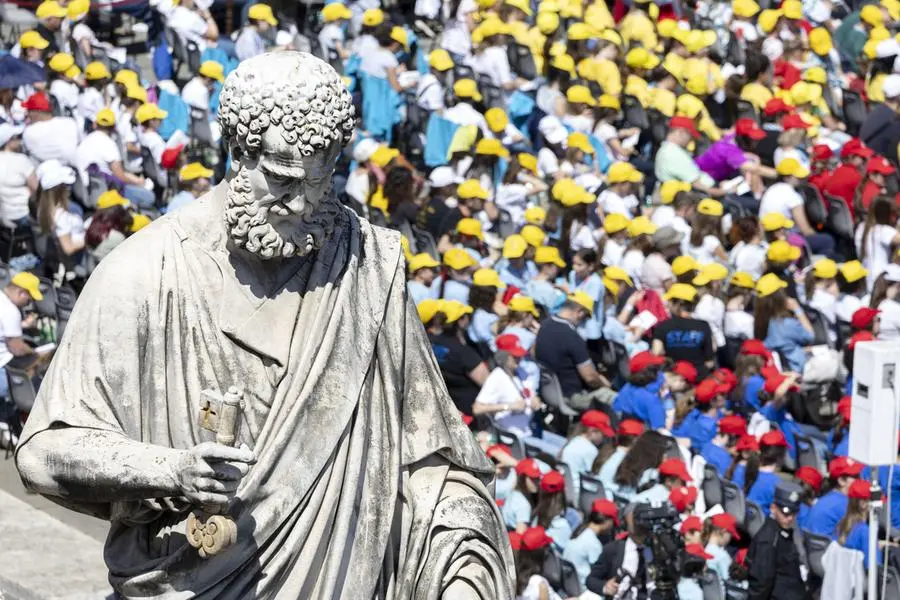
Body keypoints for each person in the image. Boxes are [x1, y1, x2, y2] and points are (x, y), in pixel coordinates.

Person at [16, 54, 514, 598]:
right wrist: (168, 469)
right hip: (189, 580)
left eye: (320, 182)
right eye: (281, 179)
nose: (301, 204)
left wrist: (462, 566)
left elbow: (432, 461)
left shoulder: (367, 267)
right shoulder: (145, 274)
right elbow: (43, 454)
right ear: (239, 152)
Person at [534, 292, 609, 408]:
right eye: (585, 317)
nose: (584, 322)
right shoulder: (572, 337)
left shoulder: (544, 325)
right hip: (572, 396)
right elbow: (590, 378)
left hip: (549, 392)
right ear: (579, 312)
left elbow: (533, 352)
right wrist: (604, 384)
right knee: (616, 399)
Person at [74, 108, 154, 208]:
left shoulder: (83, 142)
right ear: (114, 128)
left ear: (95, 124)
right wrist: (139, 182)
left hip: (84, 192)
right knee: (149, 197)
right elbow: (120, 176)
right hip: (106, 192)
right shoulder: (110, 145)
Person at [746, 481, 809, 600]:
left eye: (794, 513)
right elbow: (761, 582)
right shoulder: (768, 540)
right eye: (785, 513)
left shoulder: (785, 530)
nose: (790, 518)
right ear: (773, 508)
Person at [472, 334, 540, 436]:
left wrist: (535, 400)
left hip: (529, 429)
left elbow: (530, 394)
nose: (519, 359)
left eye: (520, 355)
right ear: (503, 356)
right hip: (513, 436)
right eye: (515, 356)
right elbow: (477, 408)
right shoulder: (497, 377)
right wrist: (509, 406)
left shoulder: (520, 372)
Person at [754, 273, 815, 372]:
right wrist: (798, 310)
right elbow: (810, 336)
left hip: (780, 369)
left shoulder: (757, 323)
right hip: (797, 371)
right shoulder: (786, 324)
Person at [653, 283, 716, 377]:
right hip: (698, 377)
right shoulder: (703, 326)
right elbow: (710, 360)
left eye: (670, 302)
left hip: (673, 378)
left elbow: (656, 353)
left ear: (677, 303)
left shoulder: (663, 326)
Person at [801, 456, 864, 536]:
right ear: (841, 481)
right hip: (825, 546)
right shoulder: (844, 504)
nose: (860, 479)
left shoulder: (829, 497)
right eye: (856, 476)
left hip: (814, 545)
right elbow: (859, 535)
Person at [563, 499, 618, 586]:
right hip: (582, 589)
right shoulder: (593, 543)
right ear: (606, 521)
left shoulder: (579, 531)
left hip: (570, 585)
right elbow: (600, 574)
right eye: (613, 523)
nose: (612, 527)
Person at [36, 160, 85, 258]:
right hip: (81, 257)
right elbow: (68, 248)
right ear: (57, 189)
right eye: (65, 185)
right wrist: (91, 238)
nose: (69, 187)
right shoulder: (60, 217)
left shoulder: (48, 207)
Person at [560, 410, 615, 490]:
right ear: (592, 431)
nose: (604, 438)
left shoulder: (574, 441)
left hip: (567, 487)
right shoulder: (590, 450)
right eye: (603, 434)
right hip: (577, 489)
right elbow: (597, 476)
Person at [21, 91, 79, 166]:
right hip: (74, 169)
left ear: (37, 111)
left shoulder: (29, 132)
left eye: (29, 110)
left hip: (47, 173)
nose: (26, 113)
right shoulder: (70, 122)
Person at [836, 480, 880, 569]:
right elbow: (875, 567)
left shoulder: (841, 524)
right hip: (864, 580)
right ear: (863, 504)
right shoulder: (865, 532)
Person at [0, 123, 37, 229]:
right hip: (24, 214)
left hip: (4, 216)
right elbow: (37, 189)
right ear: (8, 141)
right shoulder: (21, 160)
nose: (21, 141)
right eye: (18, 137)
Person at [502, 458, 542, 532]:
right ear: (522, 478)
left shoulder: (512, 491)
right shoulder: (524, 506)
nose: (537, 482)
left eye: (538, 478)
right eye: (532, 478)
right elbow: (519, 536)